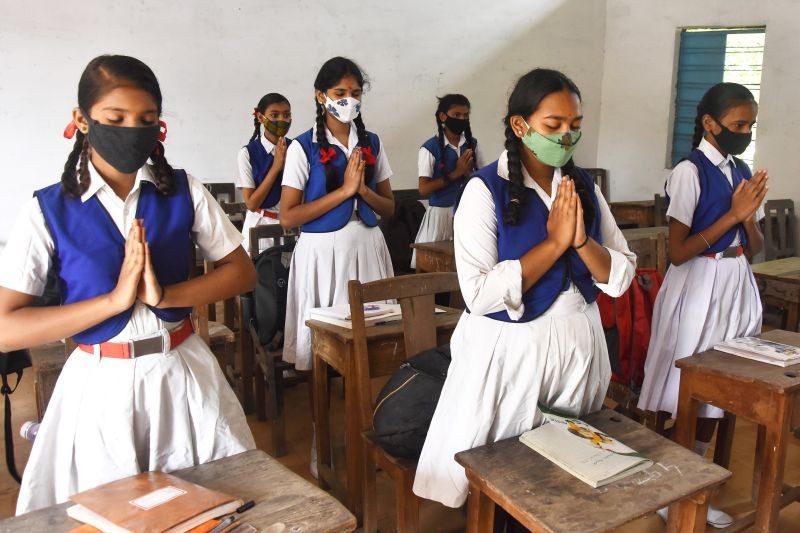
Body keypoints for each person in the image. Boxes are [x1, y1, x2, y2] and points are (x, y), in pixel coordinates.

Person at [0, 55, 256, 514]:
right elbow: (5, 327)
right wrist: (113, 301)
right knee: (110, 512)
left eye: (147, 119)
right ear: (81, 120)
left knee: (207, 507)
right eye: (115, 119)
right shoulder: (47, 210)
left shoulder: (182, 190)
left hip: (181, 372)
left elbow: (241, 271)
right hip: (100, 384)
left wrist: (167, 295)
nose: (132, 130)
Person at [413, 68, 636, 512]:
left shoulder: (585, 187)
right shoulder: (484, 190)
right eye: (554, 124)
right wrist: (553, 244)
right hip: (512, 353)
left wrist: (581, 242)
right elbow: (478, 294)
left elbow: (621, 272)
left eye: (575, 124)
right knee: (508, 467)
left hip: (579, 343)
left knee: (568, 465)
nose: (567, 135)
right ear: (520, 125)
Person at [637, 82, 767, 528]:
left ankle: (687, 482)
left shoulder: (741, 170)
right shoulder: (689, 172)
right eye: (738, 125)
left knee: (719, 391)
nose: (745, 133)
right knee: (687, 391)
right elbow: (678, 252)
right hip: (698, 285)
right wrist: (733, 214)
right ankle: (668, 487)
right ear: (710, 124)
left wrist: (749, 217)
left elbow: (755, 246)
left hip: (734, 280)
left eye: (750, 125)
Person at [411, 94, 481, 268]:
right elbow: (424, 189)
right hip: (440, 217)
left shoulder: (473, 145)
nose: (462, 119)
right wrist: (456, 173)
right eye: (456, 115)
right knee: (437, 269)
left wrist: (468, 174)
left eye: (465, 115)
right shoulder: (430, 148)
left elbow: (482, 177)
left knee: (466, 267)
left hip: (467, 213)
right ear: (443, 116)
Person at [235, 93, 292, 255]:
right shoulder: (247, 153)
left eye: (286, 115)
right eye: (274, 115)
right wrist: (276, 167)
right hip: (261, 226)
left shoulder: (297, 149)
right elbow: (252, 204)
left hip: (292, 225)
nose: (281, 120)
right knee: (263, 269)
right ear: (261, 117)